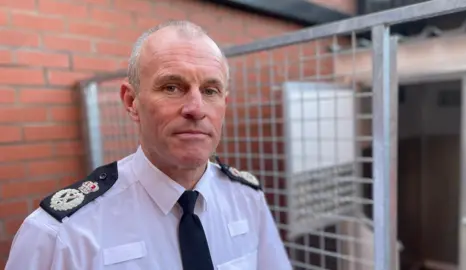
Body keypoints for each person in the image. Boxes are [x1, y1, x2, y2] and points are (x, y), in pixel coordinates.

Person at [5, 20, 292, 270]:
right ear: (132, 102)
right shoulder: (60, 235)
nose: (196, 108)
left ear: (224, 105)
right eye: (171, 87)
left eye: (210, 90)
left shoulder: (246, 199)